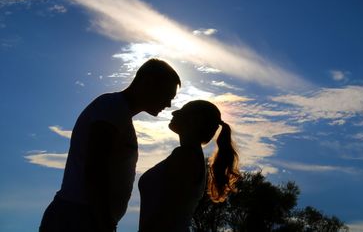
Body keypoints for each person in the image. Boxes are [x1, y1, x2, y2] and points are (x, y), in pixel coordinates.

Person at [39, 59, 181, 232]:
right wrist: (104, 221)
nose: (168, 104)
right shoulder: (111, 107)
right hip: (78, 216)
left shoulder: (118, 112)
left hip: (87, 216)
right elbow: (95, 167)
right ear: (148, 83)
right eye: (167, 95)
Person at [138, 100, 240, 232]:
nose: (174, 112)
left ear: (194, 120)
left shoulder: (185, 157)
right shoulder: (189, 156)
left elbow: (166, 211)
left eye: (182, 111)